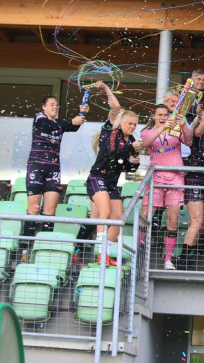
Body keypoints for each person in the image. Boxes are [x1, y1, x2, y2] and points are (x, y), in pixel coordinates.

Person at [85, 82, 141, 266]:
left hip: (111, 182)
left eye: (135, 124)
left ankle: (106, 254)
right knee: (105, 212)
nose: (132, 126)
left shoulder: (131, 140)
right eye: (129, 123)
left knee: (118, 220)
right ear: (120, 121)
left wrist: (134, 163)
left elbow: (127, 169)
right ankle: (101, 254)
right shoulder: (111, 131)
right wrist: (106, 88)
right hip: (97, 177)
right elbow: (112, 155)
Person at [25, 94, 88, 238]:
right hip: (36, 167)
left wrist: (82, 113)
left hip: (53, 169)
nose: (55, 107)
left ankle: (45, 243)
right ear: (44, 107)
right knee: (33, 210)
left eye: (57, 105)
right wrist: (71, 121)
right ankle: (25, 245)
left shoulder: (59, 123)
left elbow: (74, 126)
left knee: (50, 210)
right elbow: (48, 126)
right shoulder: (39, 118)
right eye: (52, 104)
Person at [141, 104, 192, 270]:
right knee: (145, 217)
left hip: (176, 178)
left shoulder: (175, 130)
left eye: (166, 115)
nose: (163, 117)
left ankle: (168, 259)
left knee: (172, 220)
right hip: (156, 178)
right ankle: (137, 254)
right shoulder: (147, 132)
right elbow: (146, 143)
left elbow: (189, 141)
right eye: (160, 115)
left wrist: (183, 126)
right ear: (153, 116)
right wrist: (162, 128)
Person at [176, 105, 204, 270]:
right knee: (196, 221)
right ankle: (182, 258)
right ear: (200, 119)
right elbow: (197, 132)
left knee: (202, 223)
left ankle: (190, 254)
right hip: (195, 179)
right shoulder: (196, 135)